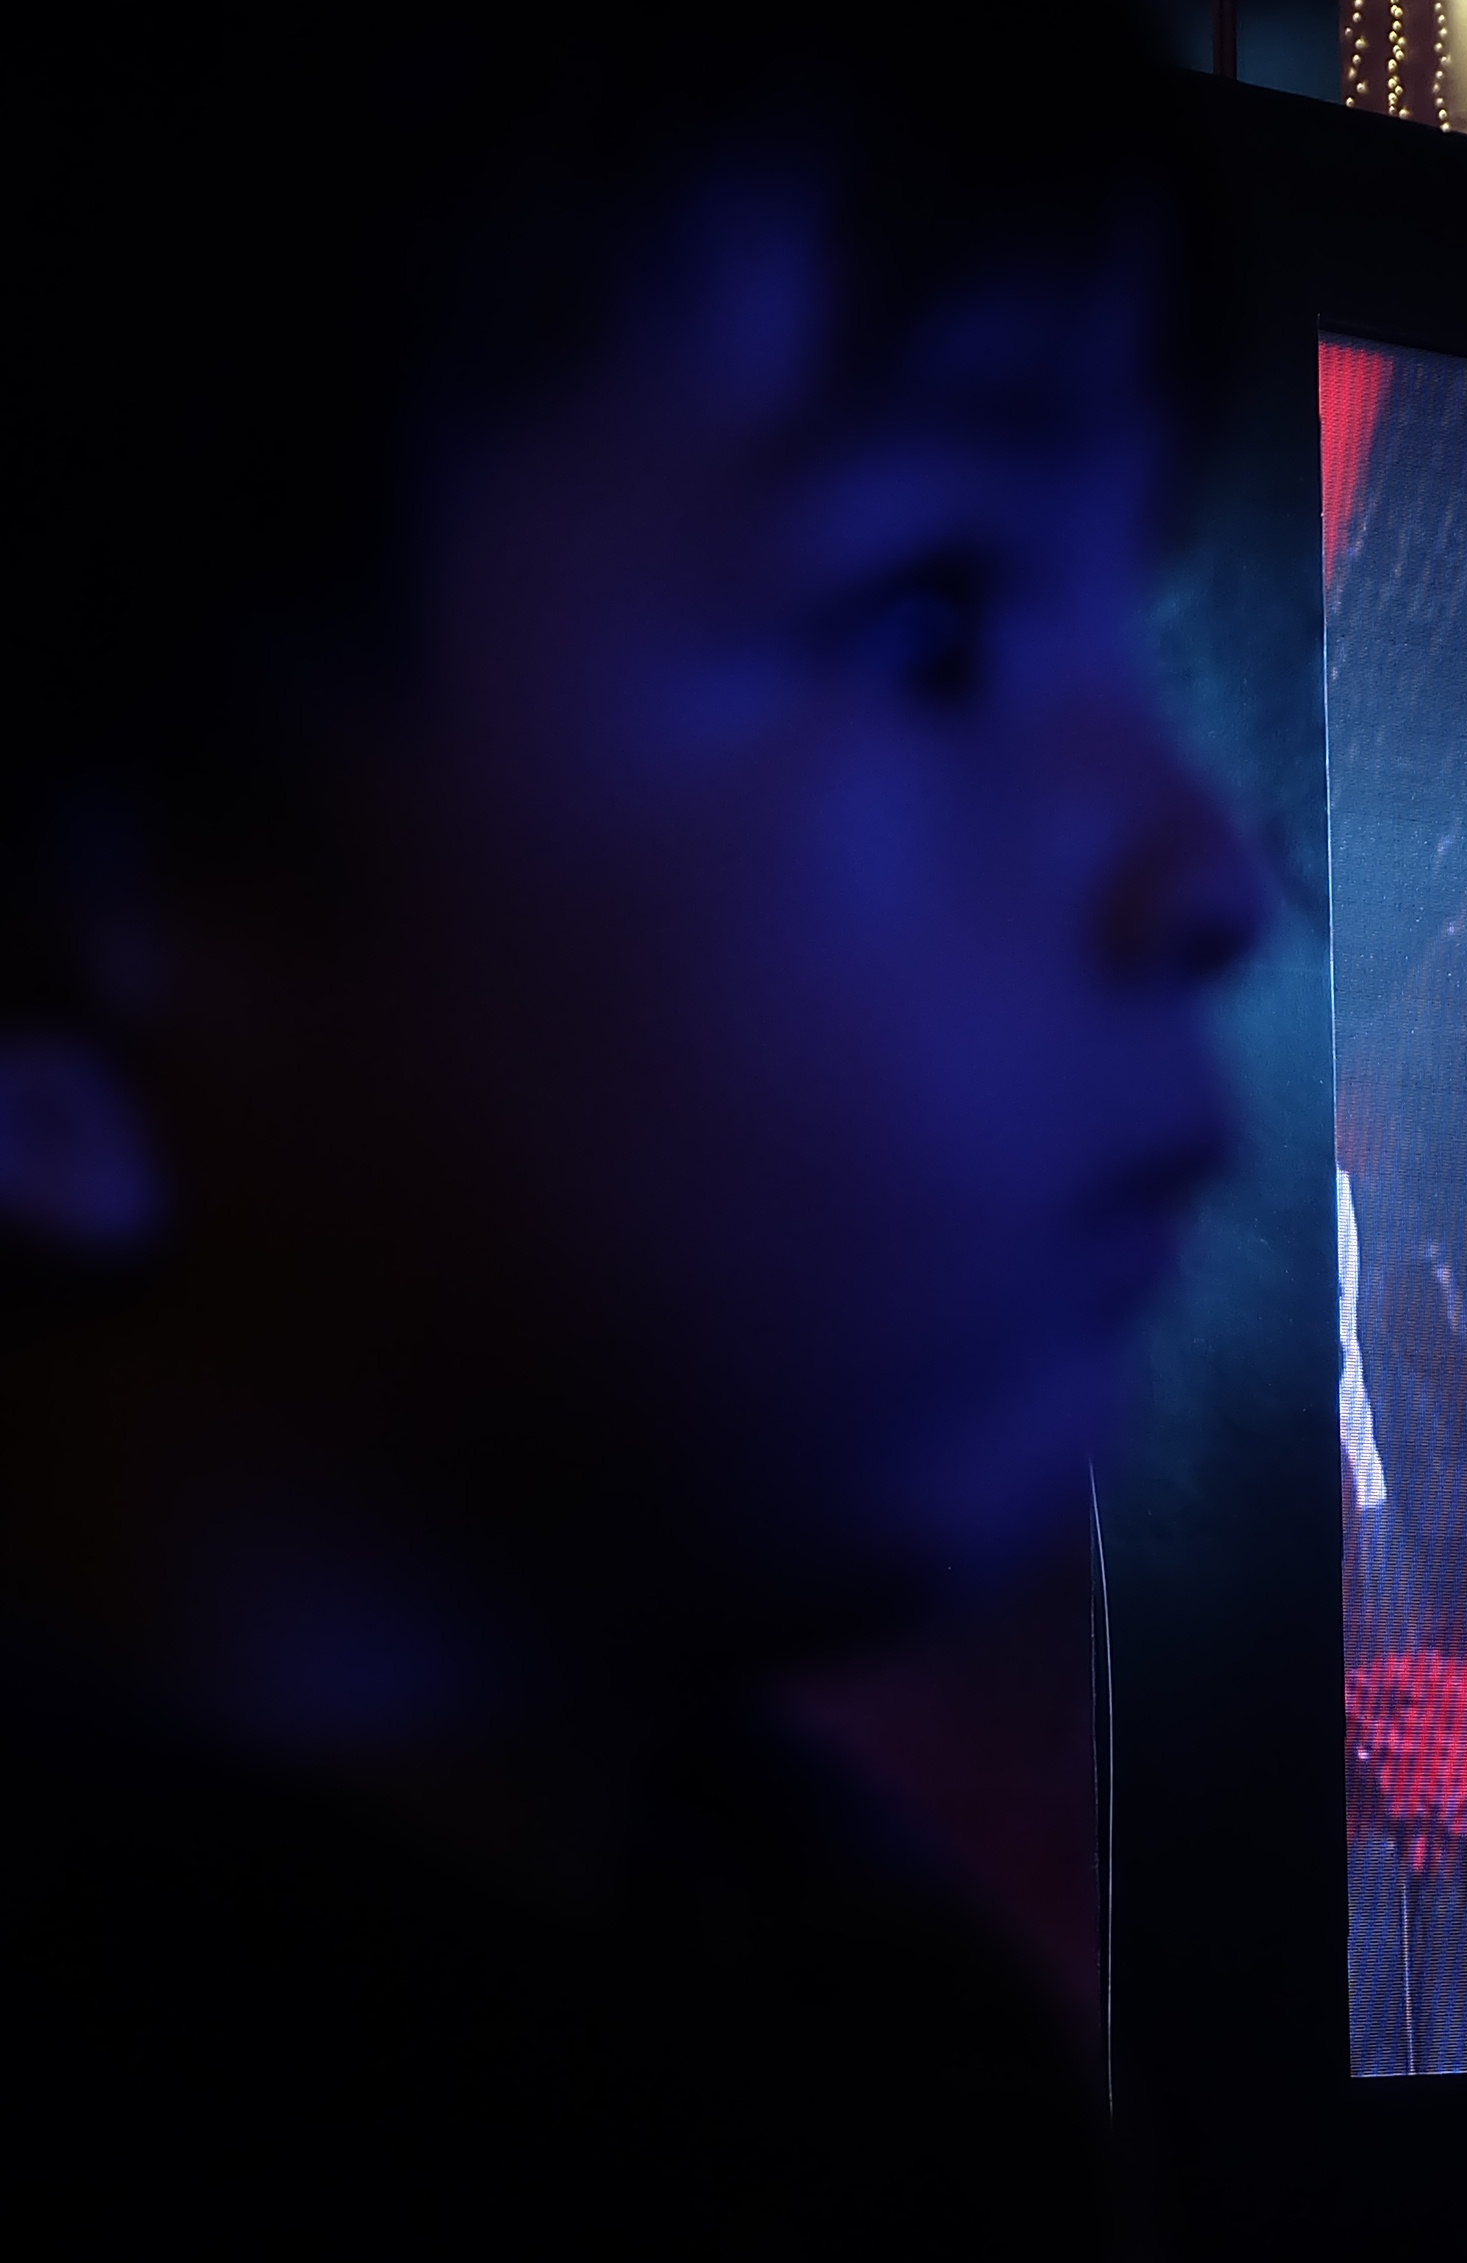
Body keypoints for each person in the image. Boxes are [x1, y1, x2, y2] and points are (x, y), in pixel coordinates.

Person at [0, 6, 1247, 2248]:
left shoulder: (880, 2045)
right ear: (66, 957)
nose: (1213, 867)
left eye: (1123, 627)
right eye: (933, 623)